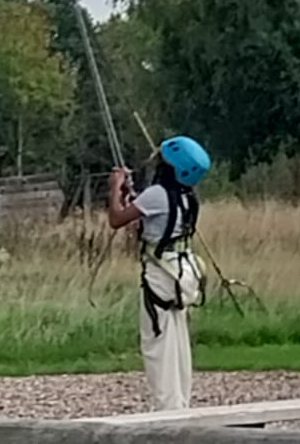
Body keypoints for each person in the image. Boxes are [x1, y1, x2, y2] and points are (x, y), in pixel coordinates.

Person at [108, 134, 211, 413]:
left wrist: (115, 187)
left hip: (160, 277)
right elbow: (146, 215)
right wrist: (130, 197)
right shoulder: (188, 197)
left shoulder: (157, 195)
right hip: (180, 274)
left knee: (158, 347)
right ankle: (180, 405)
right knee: (178, 346)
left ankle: (169, 412)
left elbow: (116, 219)